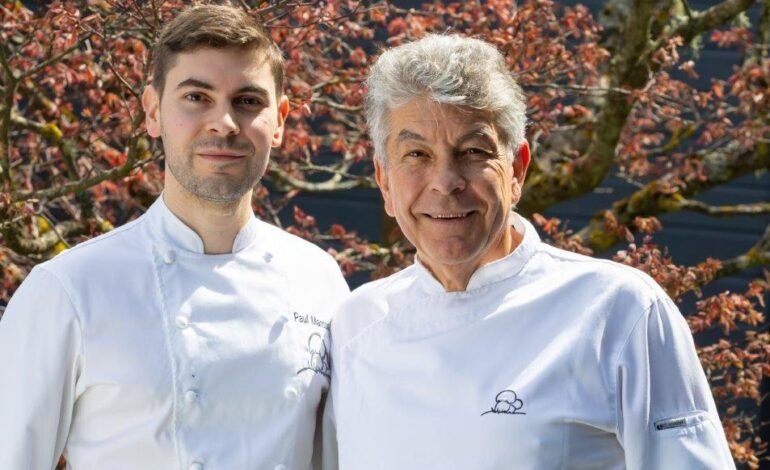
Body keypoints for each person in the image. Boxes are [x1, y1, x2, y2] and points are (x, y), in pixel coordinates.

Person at [328, 34, 735, 469]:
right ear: (384, 182)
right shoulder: (356, 324)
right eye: (416, 154)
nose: (445, 182)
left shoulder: (619, 310)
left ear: (517, 170)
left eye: (473, 151)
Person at [0, 5, 348, 469]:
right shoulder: (69, 289)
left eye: (248, 101)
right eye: (196, 97)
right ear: (152, 112)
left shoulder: (319, 278)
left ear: (280, 120)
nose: (224, 123)